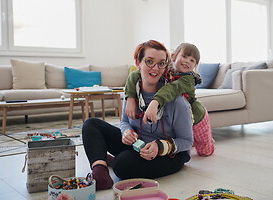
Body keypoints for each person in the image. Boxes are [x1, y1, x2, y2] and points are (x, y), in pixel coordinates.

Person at [82, 40, 194, 190]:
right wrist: (126, 132)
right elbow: (124, 122)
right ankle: (100, 171)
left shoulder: (177, 102)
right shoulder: (132, 94)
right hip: (137, 146)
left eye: (161, 63)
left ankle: (114, 161)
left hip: (169, 154)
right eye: (149, 61)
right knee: (91, 124)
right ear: (138, 62)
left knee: (123, 165)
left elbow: (187, 141)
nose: (155, 68)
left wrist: (160, 146)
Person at [125, 43, 215, 156]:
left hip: (196, 116)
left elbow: (172, 88)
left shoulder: (189, 79)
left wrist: (155, 101)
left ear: (195, 65)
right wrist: (130, 98)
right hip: (179, 117)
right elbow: (135, 75)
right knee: (183, 138)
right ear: (173, 57)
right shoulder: (165, 70)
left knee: (205, 151)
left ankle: (210, 143)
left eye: (192, 60)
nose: (187, 61)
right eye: (184, 56)